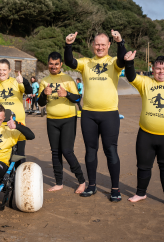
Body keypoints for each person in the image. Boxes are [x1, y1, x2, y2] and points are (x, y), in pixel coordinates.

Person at [64, 30, 127, 201]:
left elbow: (122, 59)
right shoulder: (86, 62)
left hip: (110, 114)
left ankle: (115, 189)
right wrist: (68, 45)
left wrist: (120, 42)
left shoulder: (114, 62)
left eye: (103, 44)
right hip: (89, 114)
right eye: (97, 44)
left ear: (108, 45)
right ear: (93, 46)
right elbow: (69, 61)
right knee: (90, 150)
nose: (99, 47)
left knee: (111, 150)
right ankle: (92, 186)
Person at [124, 52, 164, 208]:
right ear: (152, 70)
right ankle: (140, 193)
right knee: (143, 166)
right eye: (158, 69)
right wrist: (130, 63)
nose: (161, 72)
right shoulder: (145, 82)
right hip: (146, 134)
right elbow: (131, 77)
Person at [38, 52, 85, 193]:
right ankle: (59, 182)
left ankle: (81, 181)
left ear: (61, 64)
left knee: (67, 151)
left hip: (68, 119)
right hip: (52, 120)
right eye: (51, 64)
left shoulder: (68, 79)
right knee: (55, 152)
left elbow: (77, 99)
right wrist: (43, 94)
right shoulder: (44, 81)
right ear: (48, 64)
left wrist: (67, 94)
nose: (54, 67)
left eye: (56, 64)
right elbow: (40, 103)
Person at [0, 59, 32, 164]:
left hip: (18, 124)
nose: (1, 72)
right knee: (3, 154)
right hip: (2, 127)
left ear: (9, 70)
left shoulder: (16, 82)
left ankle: (20, 179)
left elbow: (29, 91)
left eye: (4, 70)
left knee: (19, 155)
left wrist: (24, 81)